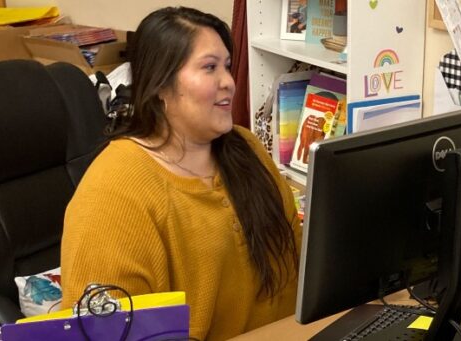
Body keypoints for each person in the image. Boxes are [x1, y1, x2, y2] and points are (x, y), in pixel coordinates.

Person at [60, 6, 301, 340]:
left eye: (228, 67)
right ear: (160, 83)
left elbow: (300, 264)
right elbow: (104, 331)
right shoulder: (112, 192)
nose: (229, 82)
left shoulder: (246, 149)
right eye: (209, 68)